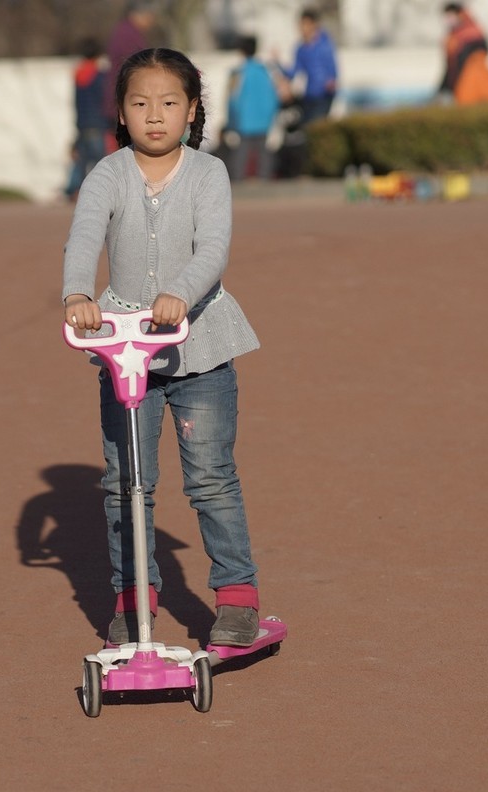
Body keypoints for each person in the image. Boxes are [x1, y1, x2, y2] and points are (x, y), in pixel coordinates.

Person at [62, 48, 266, 648]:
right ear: (121, 113)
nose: (155, 115)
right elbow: (83, 237)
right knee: (127, 480)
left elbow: (213, 250)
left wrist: (179, 292)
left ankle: (236, 595)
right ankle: (133, 596)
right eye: (140, 103)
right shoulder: (107, 173)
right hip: (125, 349)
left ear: (192, 110)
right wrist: (77, 293)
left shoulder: (208, 174)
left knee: (210, 478)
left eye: (170, 103)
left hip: (196, 345)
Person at [225, 36, 280, 181]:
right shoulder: (265, 71)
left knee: (241, 154)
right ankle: (265, 181)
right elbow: (274, 95)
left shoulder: (238, 72)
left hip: (244, 120)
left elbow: (232, 98)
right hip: (264, 121)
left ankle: (237, 182)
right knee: (263, 153)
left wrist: (231, 120)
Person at [276, 8, 338, 123]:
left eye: (305, 24)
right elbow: (294, 71)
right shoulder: (300, 48)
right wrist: (278, 64)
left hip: (323, 96)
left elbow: (332, 71)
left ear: (314, 25)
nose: (302, 28)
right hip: (308, 96)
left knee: (316, 126)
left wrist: (330, 85)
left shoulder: (325, 45)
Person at [65, 37, 109, 200]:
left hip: (82, 123)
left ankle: (74, 189)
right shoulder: (99, 76)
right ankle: (102, 191)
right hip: (97, 123)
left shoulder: (78, 74)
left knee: (82, 159)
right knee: (100, 161)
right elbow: (104, 100)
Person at [103, 0, 158, 128]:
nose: (151, 21)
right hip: (126, 98)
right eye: (149, 16)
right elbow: (137, 67)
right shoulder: (128, 35)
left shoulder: (126, 31)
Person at [438, 3, 488, 106]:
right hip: (458, 85)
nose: (448, 20)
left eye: (451, 16)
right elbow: (450, 67)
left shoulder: (474, 34)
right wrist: (443, 87)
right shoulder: (451, 38)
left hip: (474, 83)